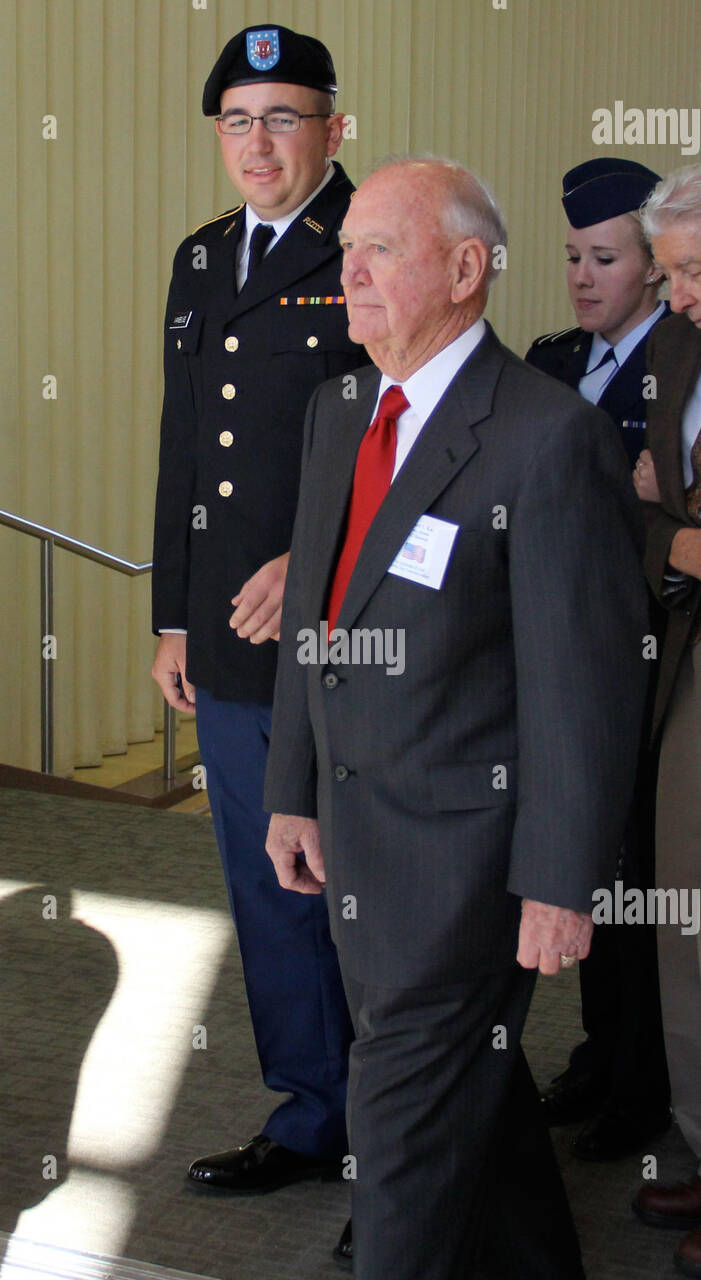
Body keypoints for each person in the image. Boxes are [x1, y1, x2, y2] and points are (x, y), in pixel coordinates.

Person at [263, 157, 650, 1280]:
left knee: (399, 1136)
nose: (350, 274)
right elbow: (311, 617)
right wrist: (291, 782)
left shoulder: (544, 439)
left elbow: (583, 682)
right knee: (467, 1107)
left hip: (467, 867)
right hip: (352, 837)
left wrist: (559, 880)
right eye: (347, 253)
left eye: (381, 248)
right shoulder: (341, 409)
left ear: (467, 268)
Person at [151, 25, 365, 1193]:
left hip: (345, 629)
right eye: (238, 119)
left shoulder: (372, 241)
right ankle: (308, 1116)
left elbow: (412, 433)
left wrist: (314, 557)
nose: (259, 141)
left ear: (334, 127)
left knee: (358, 886)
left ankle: (395, 1137)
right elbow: (187, 448)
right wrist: (170, 618)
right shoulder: (200, 258)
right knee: (262, 884)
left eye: (284, 116)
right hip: (229, 642)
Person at [526, 157, 671, 1162]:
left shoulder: (688, 365)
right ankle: (595, 1054)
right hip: (557, 658)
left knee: (640, 878)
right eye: (572, 256)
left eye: (604, 258)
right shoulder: (547, 361)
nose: (582, 276)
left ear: (657, 268)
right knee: (578, 860)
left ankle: (640, 1080)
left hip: (653, 660)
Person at [629, 163, 701, 1280]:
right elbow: (632, 502)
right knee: (684, 919)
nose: (674, 294)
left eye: (692, 270)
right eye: (671, 270)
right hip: (687, 657)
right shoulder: (675, 348)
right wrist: (675, 539)